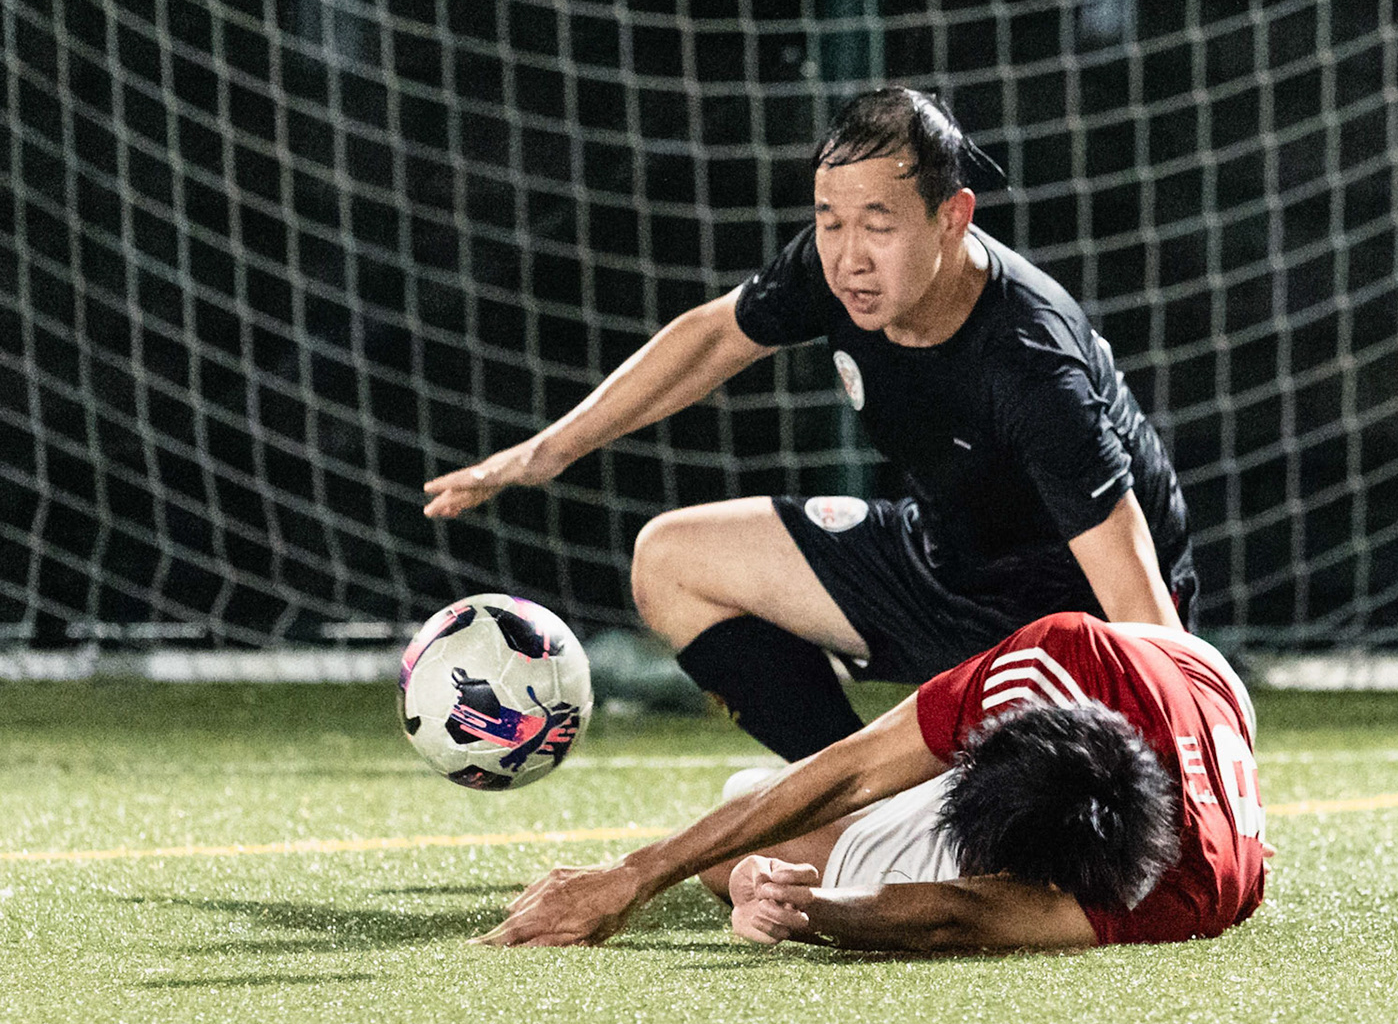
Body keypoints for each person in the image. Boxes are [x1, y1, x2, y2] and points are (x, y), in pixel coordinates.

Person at [423, 88, 1197, 763]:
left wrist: (1196, 774)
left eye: (878, 224)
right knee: (671, 561)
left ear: (953, 217)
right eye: (829, 220)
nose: (848, 255)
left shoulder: (1032, 366)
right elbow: (716, 335)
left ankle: (923, 789)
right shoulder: (837, 272)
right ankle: (847, 796)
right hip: (944, 558)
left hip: (1064, 626)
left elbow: (1143, 612)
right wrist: (546, 452)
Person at [470, 612, 1266, 953]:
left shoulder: (1193, 890)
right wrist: (632, 875)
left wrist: (797, 903)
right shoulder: (1054, 659)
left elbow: (956, 917)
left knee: (739, 844)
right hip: (1178, 663)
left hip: (1194, 703)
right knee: (753, 812)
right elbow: (851, 768)